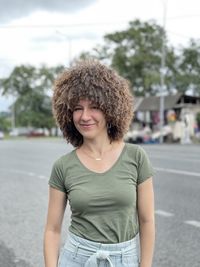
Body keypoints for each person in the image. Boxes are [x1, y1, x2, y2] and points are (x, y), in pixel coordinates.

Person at [43, 60, 155, 267]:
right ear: (68, 113)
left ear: (110, 109)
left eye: (94, 107)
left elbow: (147, 220)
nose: (85, 116)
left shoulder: (136, 156)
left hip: (125, 259)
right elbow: (52, 229)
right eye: (77, 108)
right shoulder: (62, 166)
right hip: (76, 258)